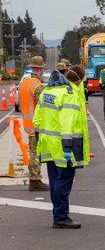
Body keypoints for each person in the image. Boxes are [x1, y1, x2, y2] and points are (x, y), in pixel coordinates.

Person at [33, 68, 87, 229]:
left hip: (48, 145)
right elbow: (67, 123)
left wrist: (39, 140)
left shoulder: (46, 92)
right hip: (64, 147)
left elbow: (37, 120)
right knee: (63, 182)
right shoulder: (68, 95)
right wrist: (68, 148)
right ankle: (61, 216)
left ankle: (58, 214)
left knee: (55, 180)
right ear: (75, 82)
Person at [19, 56, 49, 191]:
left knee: (33, 152)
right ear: (39, 69)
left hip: (27, 123)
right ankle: (35, 181)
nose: (42, 71)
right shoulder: (37, 86)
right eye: (42, 69)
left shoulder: (25, 82)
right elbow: (42, 106)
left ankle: (34, 179)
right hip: (36, 125)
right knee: (36, 154)